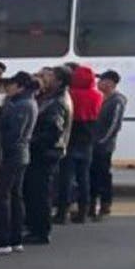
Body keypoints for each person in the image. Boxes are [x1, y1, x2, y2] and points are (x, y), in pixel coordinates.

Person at [0, 72, 37, 255]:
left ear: (20, 86)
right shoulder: (26, 102)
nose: (7, 88)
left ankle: (2, 240)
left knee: (3, 195)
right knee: (14, 196)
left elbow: (12, 133)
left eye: (11, 85)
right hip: (20, 154)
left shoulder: (21, 105)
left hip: (12, 155)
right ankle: (15, 237)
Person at [24, 67, 71, 245]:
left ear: (58, 81)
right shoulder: (51, 98)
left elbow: (53, 131)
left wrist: (30, 140)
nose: (42, 79)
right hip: (47, 151)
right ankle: (36, 226)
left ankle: (40, 231)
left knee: (40, 192)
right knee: (36, 191)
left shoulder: (57, 102)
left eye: (47, 77)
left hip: (46, 153)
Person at [57, 65, 102, 223]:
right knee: (84, 179)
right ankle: (83, 212)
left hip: (71, 139)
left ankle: (62, 212)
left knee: (66, 179)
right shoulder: (97, 95)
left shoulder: (71, 94)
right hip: (87, 141)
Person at [90, 70, 126, 219]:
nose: (98, 83)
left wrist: (102, 141)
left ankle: (105, 205)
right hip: (93, 144)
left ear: (110, 83)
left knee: (103, 175)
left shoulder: (117, 100)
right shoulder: (100, 97)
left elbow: (114, 125)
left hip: (104, 146)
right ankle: (91, 206)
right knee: (92, 176)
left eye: (102, 80)